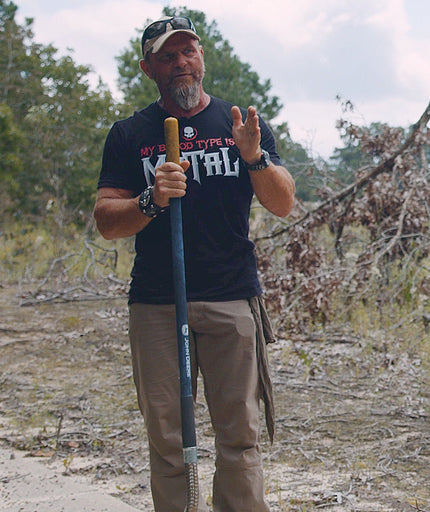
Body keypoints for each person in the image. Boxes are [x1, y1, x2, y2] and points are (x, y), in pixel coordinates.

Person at [93, 15, 295, 512]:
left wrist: (254, 157)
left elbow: (283, 202)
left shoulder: (238, 124)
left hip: (231, 296)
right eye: (167, 56)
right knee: (167, 436)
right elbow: (106, 220)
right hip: (158, 303)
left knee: (240, 434)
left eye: (188, 52)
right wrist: (151, 199)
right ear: (148, 69)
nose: (180, 63)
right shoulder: (129, 133)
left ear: (202, 56)